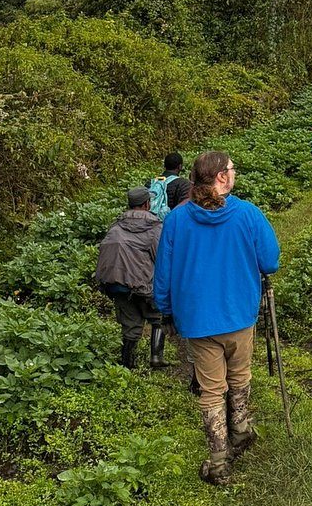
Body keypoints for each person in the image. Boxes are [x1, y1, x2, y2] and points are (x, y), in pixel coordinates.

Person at [153, 151, 280, 486]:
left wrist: (165, 311)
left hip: (196, 320)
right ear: (222, 177)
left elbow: (163, 274)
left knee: (211, 389)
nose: (235, 174)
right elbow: (270, 261)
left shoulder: (177, 220)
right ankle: (240, 430)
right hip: (239, 314)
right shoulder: (248, 215)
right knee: (240, 376)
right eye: (233, 170)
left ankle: (219, 461)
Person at [95, 187, 165, 369]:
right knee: (158, 317)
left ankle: (127, 366)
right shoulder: (155, 227)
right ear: (146, 204)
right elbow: (162, 258)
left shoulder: (115, 227)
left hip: (118, 284)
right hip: (145, 285)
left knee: (130, 326)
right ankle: (156, 358)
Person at [147, 153, 185, 220]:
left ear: (164, 165)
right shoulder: (182, 184)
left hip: (150, 222)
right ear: (180, 166)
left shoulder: (151, 182)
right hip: (170, 223)